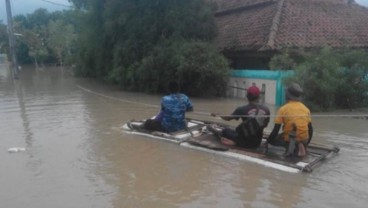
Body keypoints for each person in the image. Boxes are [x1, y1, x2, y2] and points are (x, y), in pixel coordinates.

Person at [266, 83, 313, 157]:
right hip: (305, 140)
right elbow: (310, 129)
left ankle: (290, 148)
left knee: (274, 138)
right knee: (283, 135)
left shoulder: (283, 109)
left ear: (287, 96)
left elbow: (276, 130)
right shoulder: (306, 109)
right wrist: (306, 144)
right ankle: (302, 146)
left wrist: (268, 141)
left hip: (291, 140)